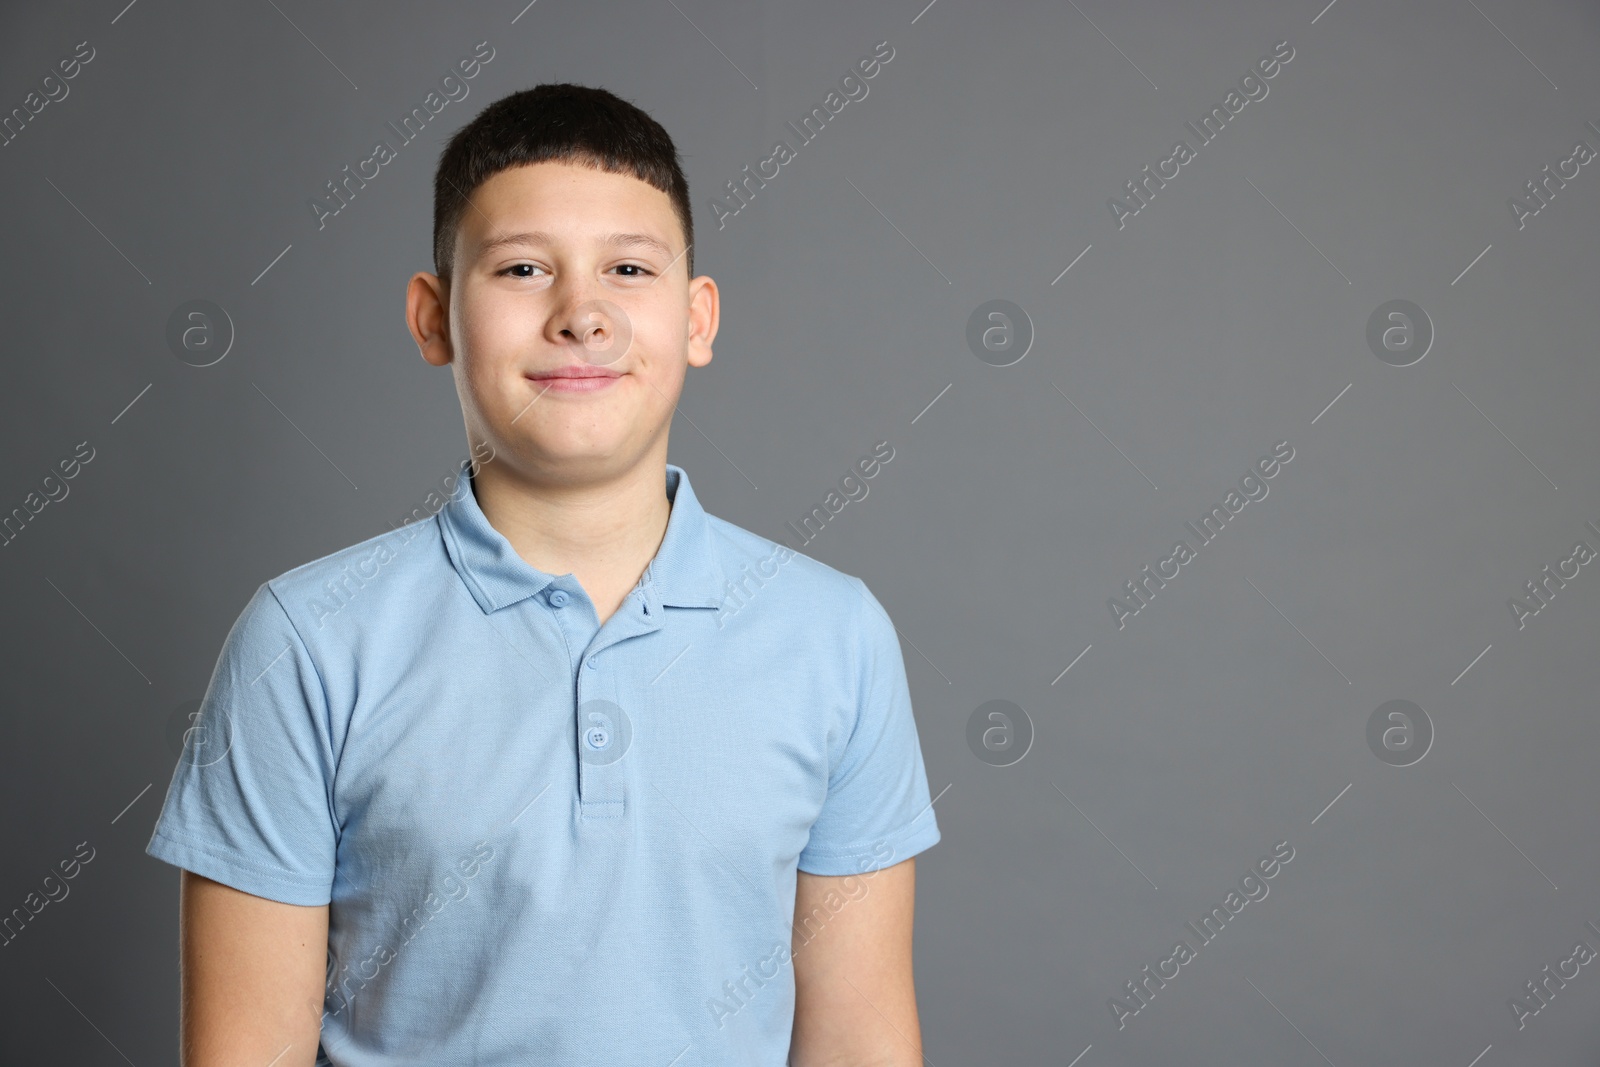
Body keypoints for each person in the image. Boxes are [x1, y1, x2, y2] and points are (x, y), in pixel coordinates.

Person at [145, 82, 940, 1066]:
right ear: (432, 318)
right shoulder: (308, 639)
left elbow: (860, 1036)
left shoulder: (834, 636)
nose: (581, 314)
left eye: (628, 269)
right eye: (523, 268)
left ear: (697, 318)